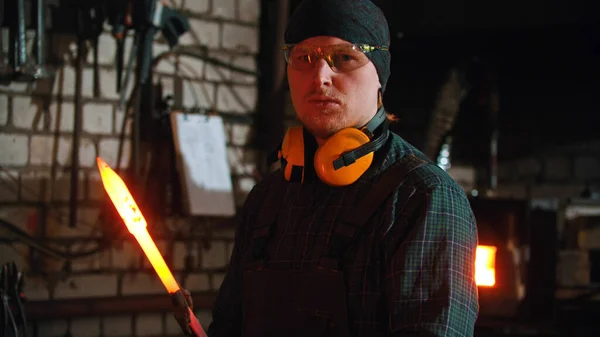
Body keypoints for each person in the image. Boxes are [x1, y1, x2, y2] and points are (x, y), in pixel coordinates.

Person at [172, 0, 479, 336]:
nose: (319, 76)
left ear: (380, 74)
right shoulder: (267, 200)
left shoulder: (423, 199)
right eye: (304, 57)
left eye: (344, 57)